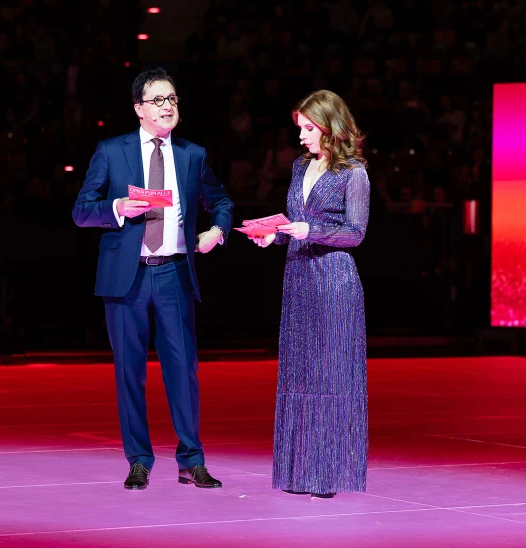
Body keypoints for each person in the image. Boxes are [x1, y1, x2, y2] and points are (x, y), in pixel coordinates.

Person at [72, 67, 234, 491]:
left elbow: (221, 201)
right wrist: (119, 207)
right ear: (139, 109)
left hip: (174, 274)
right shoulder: (112, 150)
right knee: (130, 372)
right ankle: (139, 459)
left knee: (183, 370)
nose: (168, 106)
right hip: (126, 280)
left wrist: (217, 231)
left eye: (173, 99)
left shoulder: (191, 154)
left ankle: (191, 460)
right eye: (159, 100)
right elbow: (82, 210)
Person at [252, 89, 370, 498]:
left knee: (332, 376)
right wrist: (275, 237)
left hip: (334, 281)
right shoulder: (301, 167)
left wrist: (311, 231)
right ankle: (301, 470)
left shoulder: (353, 172)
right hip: (298, 277)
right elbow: (294, 222)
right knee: (300, 375)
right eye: (300, 128)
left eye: (308, 128)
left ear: (329, 126)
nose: (301, 136)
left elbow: (356, 233)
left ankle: (329, 474)